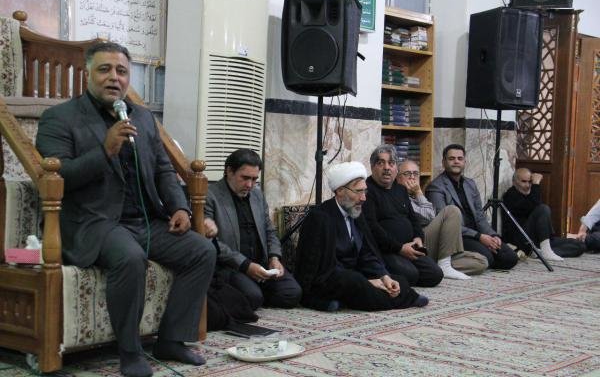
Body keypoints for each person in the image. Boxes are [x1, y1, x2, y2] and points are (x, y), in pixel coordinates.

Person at [36, 42, 216, 377]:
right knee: (130, 257)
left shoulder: (142, 117)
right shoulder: (59, 118)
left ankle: (171, 340)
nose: (114, 78)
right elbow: (59, 177)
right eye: (104, 69)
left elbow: (163, 169)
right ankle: (130, 352)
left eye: (121, 71)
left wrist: (179, 207)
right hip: (94, 221)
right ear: (88, 74)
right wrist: (105, 150)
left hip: (144, 220)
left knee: (202, 250)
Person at [295, 161, 428, 312]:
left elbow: (367, 253)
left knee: (399, 279)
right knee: (356, 282)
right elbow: (319, 267)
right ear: (340, 190)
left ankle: (349, 299)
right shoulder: (320, 217)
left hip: (353, 274)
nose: (363, 198)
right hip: (327, 278)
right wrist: (368, 281)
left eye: (365, 191)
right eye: (358, 191)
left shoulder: (356, 212)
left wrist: (383, 276)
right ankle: (403, 299)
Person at [204, 149, 302, 310]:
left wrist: (274, 257)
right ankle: (252, 294)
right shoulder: (210, 195)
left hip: (261, 264)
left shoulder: (257, 195)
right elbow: (211, 242)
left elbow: (270, 231)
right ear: (229, 171)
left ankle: (254, 292)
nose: (250, 185)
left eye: (254, 179)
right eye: (245, 178)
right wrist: (245, 265)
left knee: (292, 293)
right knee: (253, 297)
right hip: (232, 266)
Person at [426, 144, 518, 270]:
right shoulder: (436, 187)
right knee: (488, 257)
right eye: (451, 158)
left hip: (477, 234)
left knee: (511, 258)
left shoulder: (470, 184)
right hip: (457, 236)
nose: (456, 162)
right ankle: (448, 261)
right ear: (443, 162)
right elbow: (444, 223)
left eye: (460, 158)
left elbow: (480, 216)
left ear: (465, 162)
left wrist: (492, 235)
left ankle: (479, 256)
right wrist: (479, 237)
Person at [363, 145, 443, 286]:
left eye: (391, 163)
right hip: (386, 250)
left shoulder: (400, 190)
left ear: (396, 169)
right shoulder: (367, 191)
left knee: (435, 274)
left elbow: (413, 219)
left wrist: (418, 237)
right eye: (381, 163)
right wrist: (400, 248)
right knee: (410, 275)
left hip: (410, 247)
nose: (387, 168)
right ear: (372, 167)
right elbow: (372, 228)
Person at [397, 159, 488, 278]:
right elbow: (429, 216)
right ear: (397, 178)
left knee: (481, 262)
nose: (412, 177)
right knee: (452, 211)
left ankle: (440, 264)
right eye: (407, 174)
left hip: (435, 245)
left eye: (415, 174)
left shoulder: (415, 196)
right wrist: (419, 192)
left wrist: (418, 194)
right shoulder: (399, 195)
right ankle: (444, 265)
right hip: (418, 242)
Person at [502, 168, 584, 260]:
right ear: (514, 182)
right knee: (543, 209)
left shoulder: (531, 194)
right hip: (522, 240)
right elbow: (534, 206)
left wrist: (534, 186)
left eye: (530, 182)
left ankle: (540, 252)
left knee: (579, 245)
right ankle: (543, 251)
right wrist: (536, 184)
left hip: (538, 241)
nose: (528, 185)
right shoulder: (510, 195)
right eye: (524, 182)